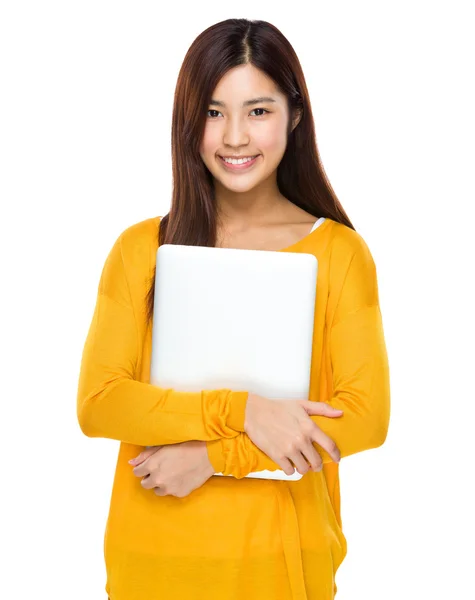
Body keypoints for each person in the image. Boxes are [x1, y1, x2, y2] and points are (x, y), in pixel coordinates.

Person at [76, 17, 391, 600]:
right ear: (188, 121)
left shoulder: (340, 254)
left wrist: (218, 455)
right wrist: (244, 410)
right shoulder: (140, 249)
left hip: (280, 563)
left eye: (259, 110)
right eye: (214, 112)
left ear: (295, 117)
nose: (236, 137)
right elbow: (100, 404)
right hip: (151, 562)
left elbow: (364, 417)